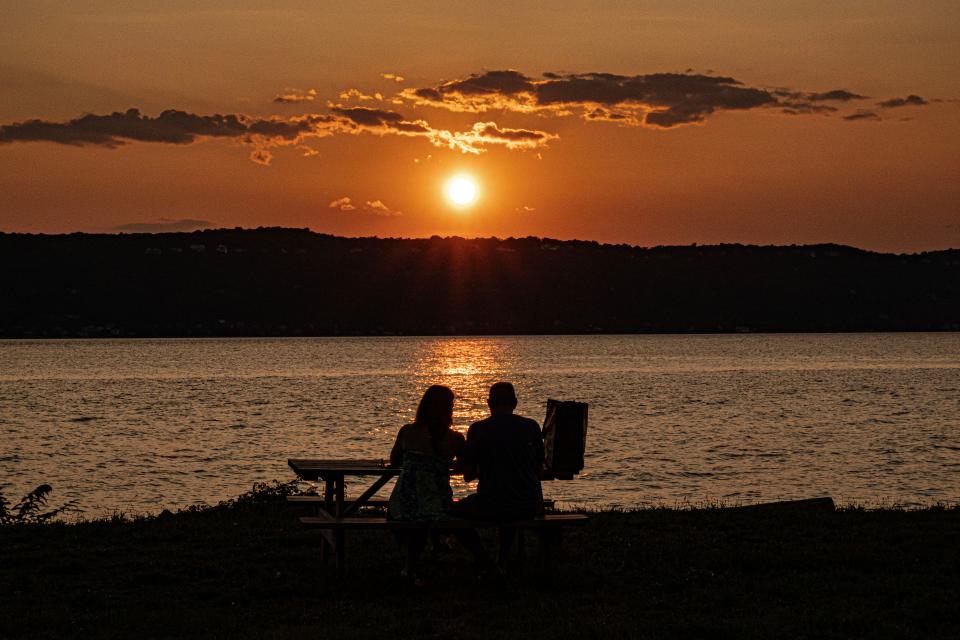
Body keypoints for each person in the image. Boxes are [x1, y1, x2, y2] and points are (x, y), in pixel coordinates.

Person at [454, 381, 544, 568]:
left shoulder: (478, 429)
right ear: (515, 403)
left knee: (450, 513)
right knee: (509, 497)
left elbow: (468, 474)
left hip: (491, 504)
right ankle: (502, 558)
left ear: (489, 403)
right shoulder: (532, 427)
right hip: (528, 504)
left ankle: (484, 559)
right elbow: (538, 466)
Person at [387, 385, 465, 583]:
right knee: (442, 513)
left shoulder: (407, 432)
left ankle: (411, 567)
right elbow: (468, 470)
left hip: (402, 503)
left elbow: (395, 461)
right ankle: (485, 562)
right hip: (437, 504)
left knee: (421, 514)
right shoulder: (455, 439)